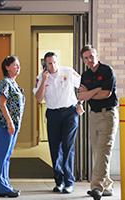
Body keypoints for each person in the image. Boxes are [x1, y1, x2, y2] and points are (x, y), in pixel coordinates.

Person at [33, 52, 83, 194]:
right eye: (49, 63)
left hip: (70, 113)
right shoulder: (41, 77)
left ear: (57, 61)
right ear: (45, 64)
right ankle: (59, 181)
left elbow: (83, 86)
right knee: (55, 148)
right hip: (53, 114)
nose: (53, 65)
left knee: (68, 147)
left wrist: (80, 103)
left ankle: (69, 182)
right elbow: (38, 98)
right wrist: (44, 80)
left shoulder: (67, 71)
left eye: (54, 62)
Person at [78, 45, 119, 200]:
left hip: (108, 115)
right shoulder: (85, 75)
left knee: (103, 151)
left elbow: (106, 94)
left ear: (96, 55)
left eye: (91, 56)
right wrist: (94, 91)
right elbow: (81, 96)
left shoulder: (107, 71)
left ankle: (96, 187)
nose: (90, 60)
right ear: (83, 60)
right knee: (97, 152)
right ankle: (107, 185)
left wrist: (89, 94)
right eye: (86, 58)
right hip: (93, 116)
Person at [0, 55, 25, 198]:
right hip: (4, 125)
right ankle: (2, 187)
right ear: (7, 67)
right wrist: (9, 122)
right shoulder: (5, 82)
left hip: (13, 125)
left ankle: (6, 184)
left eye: (18, 65)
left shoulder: (14, 83)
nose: (18, 67)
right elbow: (2, 103)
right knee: (2, 156)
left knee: (7, 156)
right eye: (15, 65)